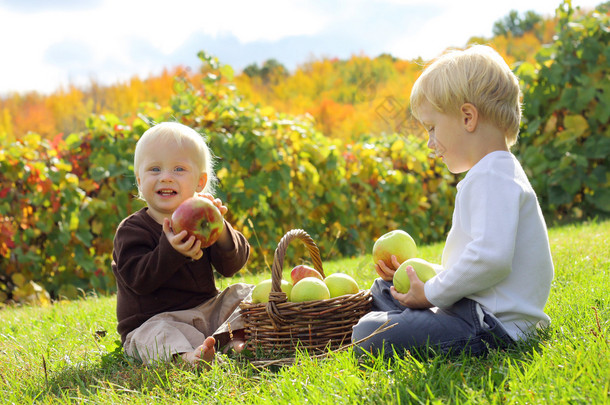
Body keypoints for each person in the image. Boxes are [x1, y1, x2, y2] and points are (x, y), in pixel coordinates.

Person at [352, 45, 554, 356]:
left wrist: (430, 293)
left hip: (491, 328)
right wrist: (420, 277)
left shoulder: (493, 178)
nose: (431, 143)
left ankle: (404, 322)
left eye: (432, 128)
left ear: (468, 118)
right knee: (385, 288)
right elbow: (476, 266)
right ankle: (408, 319)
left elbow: (491, 260)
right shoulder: (493, 173)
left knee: (368, 333)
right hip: (475, 310)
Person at [112, 121, 253, 367]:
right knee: (155, 336)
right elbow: (139, 280)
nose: (166, 177)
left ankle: (233, 340)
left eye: (178, 169)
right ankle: (188, 358)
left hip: (207, 311)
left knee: (245, 294)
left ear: (200, 183)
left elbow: (232, 266)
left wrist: (220, 230)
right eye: (154, 169)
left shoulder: (202, 218)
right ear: (139, 181)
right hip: (155, 319)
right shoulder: (131, 230)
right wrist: (170, 250)